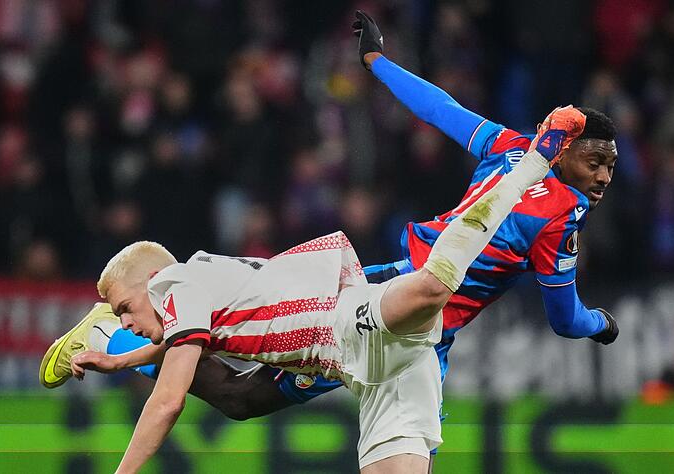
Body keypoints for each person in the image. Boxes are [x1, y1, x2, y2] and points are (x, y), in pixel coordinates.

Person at [41, 105, 585, 473]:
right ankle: (534, 162)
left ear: (152, 283)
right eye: (121, 315)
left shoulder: (174, 284)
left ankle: (535, 161)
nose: (135, 315)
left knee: (430, 291)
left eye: (125, 309)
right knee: (242, 397)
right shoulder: (182, 294)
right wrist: (122, 357)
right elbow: (175, 365)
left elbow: (166, 404)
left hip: (355, 332)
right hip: (350, 338)